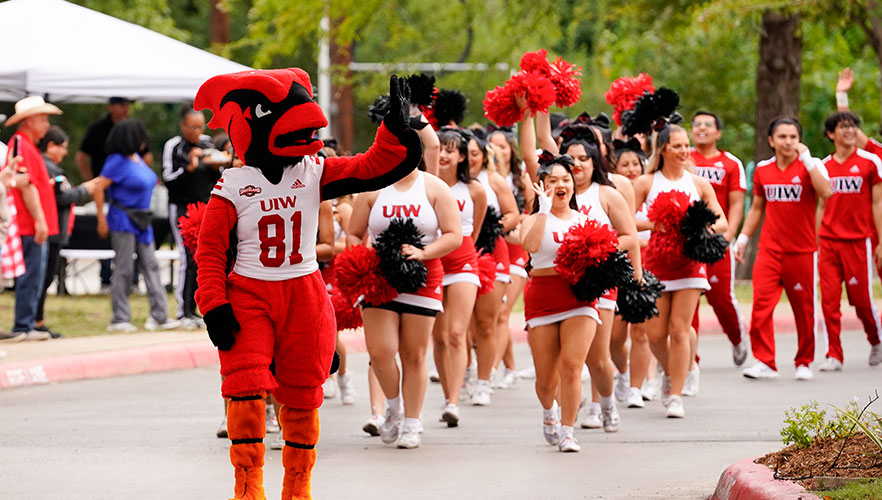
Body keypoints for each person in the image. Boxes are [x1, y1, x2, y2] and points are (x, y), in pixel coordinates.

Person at [523, 111, 640, 431]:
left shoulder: (608, 192)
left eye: (582, 160)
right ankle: (570, 410)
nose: (576, 165)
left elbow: (629, 236)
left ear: (594, 162)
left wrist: (600, 248)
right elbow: (540, 144)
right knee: (563, 362)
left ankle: (605, 402)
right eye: (570, 159)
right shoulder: (552, 191)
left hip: (597, 280)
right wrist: (538, 109)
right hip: (555, 282)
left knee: (596, 354)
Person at [347, 164, 461, 449]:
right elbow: (353, 234)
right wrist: (365, 257)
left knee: (414, 354)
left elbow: (453, 234)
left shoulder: (434, 187)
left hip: (422, 276)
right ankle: (394, 407)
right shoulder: (372, 187)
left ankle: (412, 421)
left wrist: (423, 253)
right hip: (378, 278)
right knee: (381, 352)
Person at [633, 124, 728, 418]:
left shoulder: (698, 184)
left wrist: (697, 227)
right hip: (657, 263)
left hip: (690, 262)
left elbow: (722, 222)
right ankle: (673, 373)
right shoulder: (646, 182)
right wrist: (654, 224)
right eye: (677, 146)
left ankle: (675, 395)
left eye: (686, 145)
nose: (684, 151)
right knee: (656, 334)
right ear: (662, 149)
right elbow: (627, 220)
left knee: (679, 328)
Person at [736, 117, 832, 380]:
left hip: (802, 252)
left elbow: (826, 192)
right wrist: (743, 238)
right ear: (771, 141)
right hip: (769, 250)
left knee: (804, 309)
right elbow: (757, 207)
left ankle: (804, 361)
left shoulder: (811, 166)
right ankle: (765, 362)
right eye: (782, 137)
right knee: (761, 307)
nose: (788, 142)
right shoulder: (763, 169)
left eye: (793, 136)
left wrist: (809, 160)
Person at [520, 153, 599, 452]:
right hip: (542, 295)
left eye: (566, 180)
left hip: (579, 297)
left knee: (571, 365)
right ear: (542, 185)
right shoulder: (533, 219)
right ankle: (549, 412)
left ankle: (568, 431)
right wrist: (542, 210)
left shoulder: (585, 221)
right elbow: (530, 247)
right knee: (545, 379)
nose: (560, 185)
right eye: (552, 180)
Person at [93, 119, 181, 332]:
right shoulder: (116, 161)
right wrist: (101, 219)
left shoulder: (137, 159)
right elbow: (98, 187)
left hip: (143, 219)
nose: (144, 141)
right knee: (124, 268)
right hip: (122, 218)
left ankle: (159, 315)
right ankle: (120, 318)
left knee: (150, 264)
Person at [816, 111, 882, 370]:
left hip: (859, 242)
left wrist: (880, 242)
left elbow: (878, 203)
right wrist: (815, 238)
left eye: (854, 126)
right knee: (829, 302)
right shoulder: (823, 167)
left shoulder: (870, 162)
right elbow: (820, 205)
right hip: (828, 242)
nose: (851, 130)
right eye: (844, 126)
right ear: (832, 133)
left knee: (861, 300)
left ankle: (876, 340)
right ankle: (834, 354)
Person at [433, 127, 486, 426]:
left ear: (461, 156)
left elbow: (474, 232)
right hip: (432, 263)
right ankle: (447, 392)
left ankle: (454, 400)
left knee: (456, 333)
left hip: (464, 262)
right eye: (439, 148)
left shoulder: (475, 190)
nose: (443, 154)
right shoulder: (425, 185)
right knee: (439, 336)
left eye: (450, 149)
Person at [689, 111, 749, 370]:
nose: (702, 128)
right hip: (687, 242)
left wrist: (728, 236)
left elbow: (737, 204)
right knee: (687, 298)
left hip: (716, 241)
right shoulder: (682, 157)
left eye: (708, 125)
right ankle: (689, 358)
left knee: (720, 298)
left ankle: (737, 338)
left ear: (718, 132)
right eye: (697, 124)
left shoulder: (731, 163)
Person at [466, 134, 519, 405]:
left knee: (486, 323)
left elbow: (513, 214)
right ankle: (464, 373)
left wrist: (492, 226)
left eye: (476, 153)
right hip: (459, 255)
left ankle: (484, 382)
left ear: (483, 155)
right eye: (468, 153)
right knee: (461, 327)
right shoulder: (447, 181)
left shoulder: (493, 180)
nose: (472, 158)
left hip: (493, 255)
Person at [77, 97, 149, 292]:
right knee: (117, 237)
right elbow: (82, 155)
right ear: (112, 106)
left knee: (133, 248)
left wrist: (142, 176)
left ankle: (132, 279)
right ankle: (106, 275)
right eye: (122, 104)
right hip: (109, 188)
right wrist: (92, 180)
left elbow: (147, 154)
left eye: (128, 105)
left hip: (130, 189)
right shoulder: (99, 131)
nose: (126, 109)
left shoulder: (134, 132)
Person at [5, 96, 62, 341]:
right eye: (43, 118)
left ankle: (27, 323)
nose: (47, 125)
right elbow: (25, 185)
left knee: (35, 275)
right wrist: (40, 220)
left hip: (34, 222)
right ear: (28, 121)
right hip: (29, 224)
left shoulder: (27, 144)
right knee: (31, 275)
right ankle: (23, 325)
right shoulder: (20, 144)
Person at [35, 127, 98, 337]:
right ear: (51, 146)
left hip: (52, 229)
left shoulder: (48, 167)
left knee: (45, 277)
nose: (65, 153)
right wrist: (85, 190)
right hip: (51, 229)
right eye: (62, 148)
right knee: (43, 278)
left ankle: (36, 320)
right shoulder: (51, 169)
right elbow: (62, 197)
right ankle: (36, 321)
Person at [162, 107, 222, 328]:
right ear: (183, 126)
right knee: (187, 257)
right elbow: (168, 178)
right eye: (193, 127)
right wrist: (189, 166)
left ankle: (199, 308)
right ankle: (183, 310)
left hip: (205, 207)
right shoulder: (174, 146)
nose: (198, 131)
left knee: (205, 259)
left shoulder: (207, 144)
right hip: (181, 208)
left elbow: (219, 173)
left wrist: (215, 165)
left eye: (201, 126)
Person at [610, 139, 655, 408]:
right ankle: (624, 374)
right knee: (615, 337)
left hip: (649, 266)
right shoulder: (615, 193)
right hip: (619, 266)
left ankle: (638, 386)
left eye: (635, 164)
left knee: (641, 332)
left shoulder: (651, 190)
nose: (630, 169)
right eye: (624, 164)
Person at [488, 128, 532, 388]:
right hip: (490, 250)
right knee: (493, 314)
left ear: (511, 149)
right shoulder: (484, 179)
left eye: (502, 146)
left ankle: (491, 370)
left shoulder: (520, 179)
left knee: (503, 312)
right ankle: (510, 368)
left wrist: (513, 221)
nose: (497, 151)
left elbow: (535, 212)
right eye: (492, 146)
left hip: (517, 252)